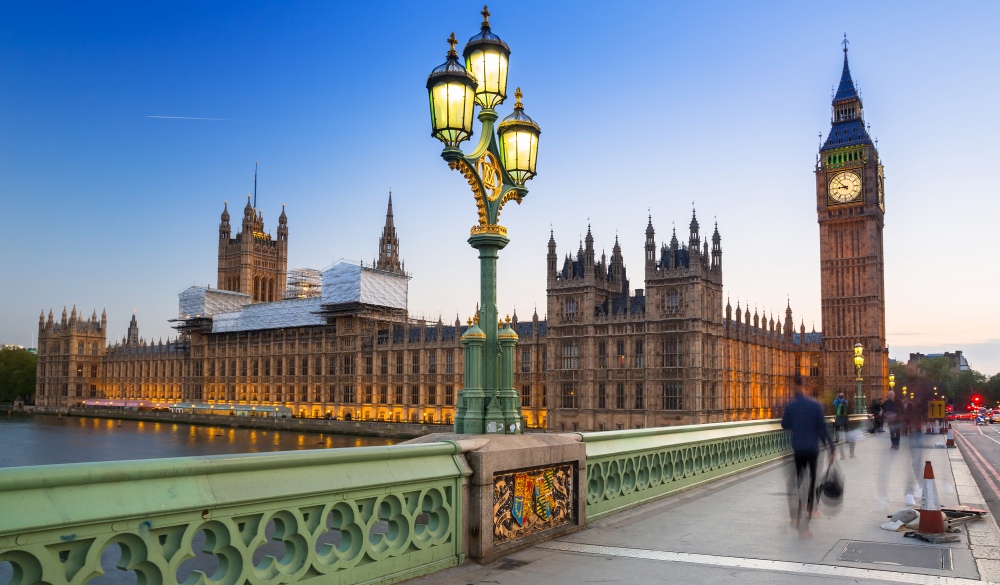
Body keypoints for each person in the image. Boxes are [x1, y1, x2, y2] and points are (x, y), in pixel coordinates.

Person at [782, 378, 833, 536]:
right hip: (812, 448)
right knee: (811, 482)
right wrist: (831, 447)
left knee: (798, 481)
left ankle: (795, 518)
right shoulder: (815, 405)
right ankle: (809, 511)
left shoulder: (791, 406)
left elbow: (784, 425)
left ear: (794, 387)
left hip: (798, 448)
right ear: (806, 387)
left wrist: (796, 423)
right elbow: (822, 429)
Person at [832, 392, 854, 458]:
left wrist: (836, 397)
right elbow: (846, 406)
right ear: (843, 396)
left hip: (838, 416)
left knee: (837, 428)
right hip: (844, 417)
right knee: (846, 428)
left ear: (838, 396)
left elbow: (833, 403)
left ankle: (837, 440)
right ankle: (847, 440)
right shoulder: (846, 401)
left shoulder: (836, 401)